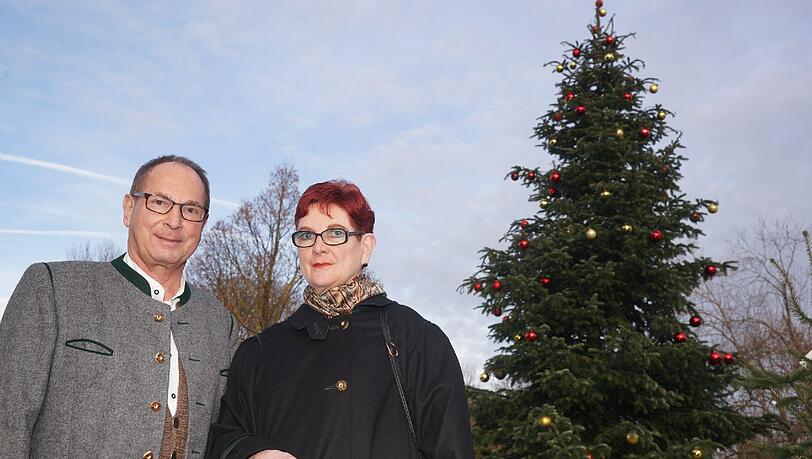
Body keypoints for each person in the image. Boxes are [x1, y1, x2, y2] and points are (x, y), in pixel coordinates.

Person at [205, 180, 475, 459]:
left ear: (365, 246)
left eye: (335, 233)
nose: (319, 247)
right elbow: (225, 439)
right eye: (307, 235)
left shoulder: (416, 340)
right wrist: (253, 454)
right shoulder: (260, 353)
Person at [0, 155, 240, 459]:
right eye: (159, 202)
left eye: (190, 209)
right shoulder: (52, 288)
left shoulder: (221, 323)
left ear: (203, 224)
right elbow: (7, 422)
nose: (174, 221)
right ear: (129, 209)